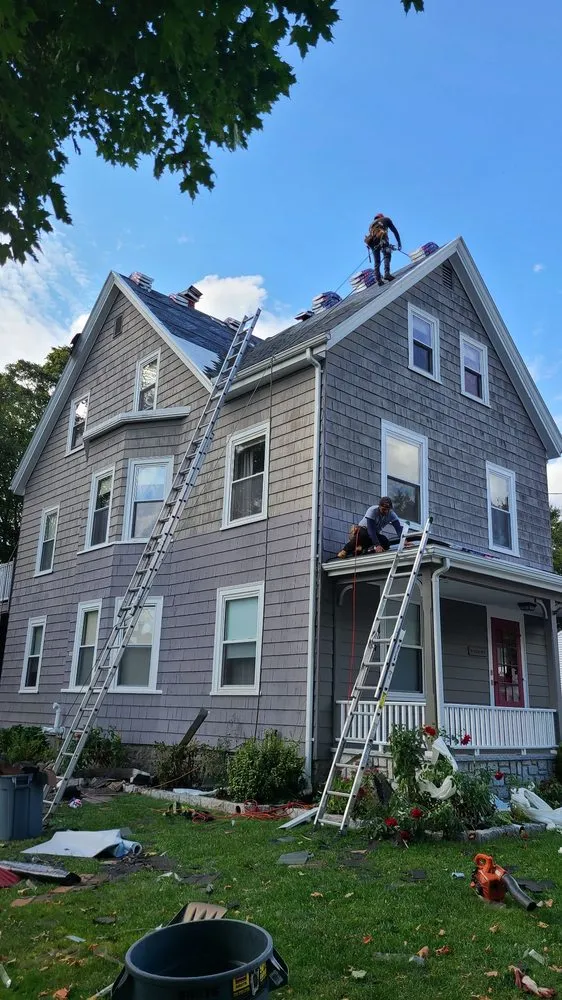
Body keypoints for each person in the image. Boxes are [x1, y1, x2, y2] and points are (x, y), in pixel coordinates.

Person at [337, 497, 405, 558]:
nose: (386, 512)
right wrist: (377, 545)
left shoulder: (392, 514)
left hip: (373, 535)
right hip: (363, 530)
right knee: (364, 534)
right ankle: (345, 550)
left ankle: (366, 550)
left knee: (385, 542)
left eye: (388, 510)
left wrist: (404, 541)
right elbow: (371, 530)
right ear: (379, 507)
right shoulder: (372, 510)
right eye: (384, 509)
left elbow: (398, 529)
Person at [365, 214, 402, 285]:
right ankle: (387, 273)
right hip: (381, 237)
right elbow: (395, 231)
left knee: (377, 262)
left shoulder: (371, 224)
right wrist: (399, 242)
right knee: (387, 254)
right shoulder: (386, 219)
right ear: (382, 217)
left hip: (371, 242)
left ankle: (378, 280)